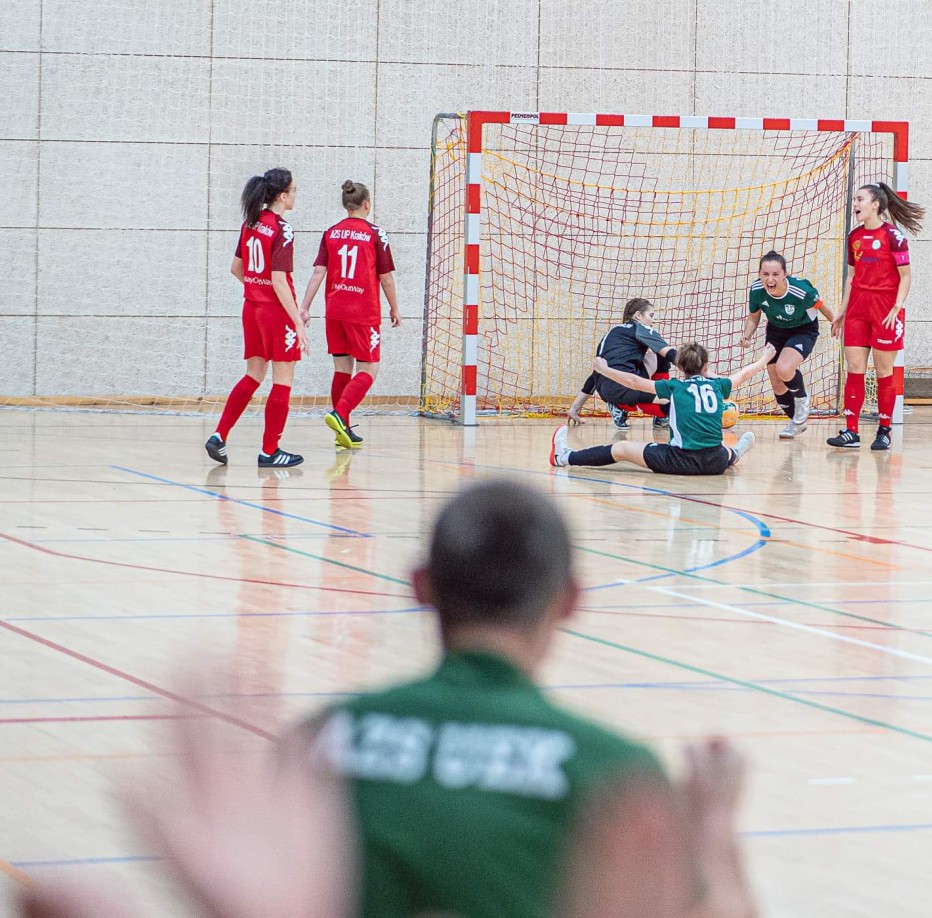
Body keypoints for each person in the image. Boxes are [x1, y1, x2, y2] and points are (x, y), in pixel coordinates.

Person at [17, 483, 756, 918]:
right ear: (569, 600)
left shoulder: (321, 742)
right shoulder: (614, 776)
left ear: (421, 588)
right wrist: (715, 835)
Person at [206, 169, 309, 469]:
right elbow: (279, 280)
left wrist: (256, 289)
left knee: (253, 374)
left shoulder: (250, 223)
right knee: (283, 380)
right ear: (282, 196)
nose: (295, 195)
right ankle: (269, 451)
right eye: (293, 190)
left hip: (252, 309)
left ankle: (219, 436)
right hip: (276, 313)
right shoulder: (282, 229)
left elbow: (236, 268)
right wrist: (298, 321)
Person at [552, 342, 771, 475]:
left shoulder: (674, 387)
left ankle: (565, 457)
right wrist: (765, 358)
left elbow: (633, 382)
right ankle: (734, 454)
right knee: (719, 448)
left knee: (621, 448)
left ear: (680, 367)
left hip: (680, 461)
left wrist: (604, 370)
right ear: (706, 366)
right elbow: (745, 374)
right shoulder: (719, 385)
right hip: (716, 462)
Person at [298, 180, 401, 450]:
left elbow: (318, 272)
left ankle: (341, 429)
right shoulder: (376, 234)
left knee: (342, 369)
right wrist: (394, 307)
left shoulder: (330, 233)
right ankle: (340, 414)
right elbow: (386, 277)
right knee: (369, 369)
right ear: (367, 204)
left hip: (335, 311)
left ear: (347, 205)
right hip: (363, 312)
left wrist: (305, 306)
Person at [828, 182, 926, 451]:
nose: (855, 204)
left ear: (875, 205)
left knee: (884, 372)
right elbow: (851, 276)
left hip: (885, 311)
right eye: (855, 199)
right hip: (857, 310)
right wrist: (842, 311)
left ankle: (884, 430)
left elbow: (906, 276)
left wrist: (898, 305)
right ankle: (851, 431)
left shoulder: (894, 236)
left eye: (860, 199)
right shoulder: (854, 236)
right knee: (854, 369)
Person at [738, 251, 833, 439]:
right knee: (776, 382)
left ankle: (802, 399)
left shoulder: (801, 291)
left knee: (784, 368)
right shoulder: (756, 290)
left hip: (803, 329)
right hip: (776, 330)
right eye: (765, 274)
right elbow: (754, 317)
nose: (770, 279)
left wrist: (837, 323)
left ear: (784, 274)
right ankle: (797, 422)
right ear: (759, 275)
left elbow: (822, 307)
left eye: (775, 274)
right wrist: (747, 335)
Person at [565, 298, 677, 430]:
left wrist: (574, 408)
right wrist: (696, 370)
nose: (653, 320)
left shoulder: (612, 333)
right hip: (627, 388)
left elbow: (596, 374)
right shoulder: (641, 329)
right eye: (651, 315)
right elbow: (670, 354)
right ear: (638, 315)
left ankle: (618, 406)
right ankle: (653, 414)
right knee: (674, 402)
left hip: (605, 390)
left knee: (647, 360)